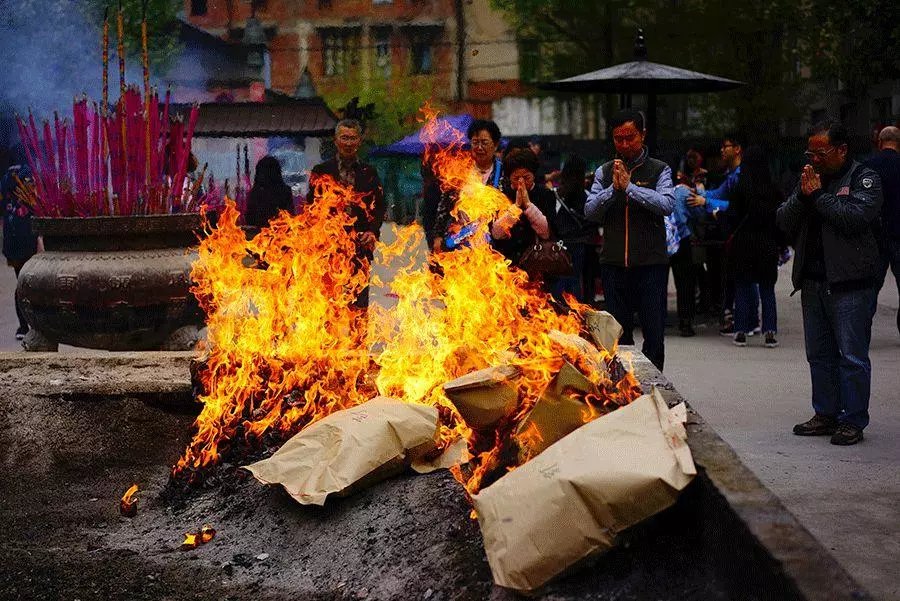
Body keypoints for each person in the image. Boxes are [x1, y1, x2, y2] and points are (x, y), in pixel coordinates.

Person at [776, 121, 883, 446]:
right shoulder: (811, 181)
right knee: (819, 355)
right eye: (810, 153)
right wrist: (805, 196)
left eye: (820, 153)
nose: (814, 159)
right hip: (813, 281)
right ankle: (825, 413)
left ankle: (852, 420)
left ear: (841, 150)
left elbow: (853, 218)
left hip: (851, 283)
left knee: (851, 356)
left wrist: (819, 196)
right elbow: (782, 219)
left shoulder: (865, 179)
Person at [584, 109, 675, 371]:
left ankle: (655, 390)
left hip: (650, 265)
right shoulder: (604, 172)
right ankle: (625, 392)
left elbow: (667, 204)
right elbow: (590, 210)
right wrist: (614, 190)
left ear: (643, 135)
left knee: (654, 335)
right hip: (613, 266)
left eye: (630, 137)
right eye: (618, 139)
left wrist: (631, 189)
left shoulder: (660, 169)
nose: (624, 144)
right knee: (618, 339)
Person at [307, 119, 386, 310]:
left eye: (352, 138)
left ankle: (357, 340)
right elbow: (312, 206)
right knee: (329, 301)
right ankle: (329, 339)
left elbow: (379, 206)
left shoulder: (369, 172)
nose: (348, 143)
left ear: (359, 141)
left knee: (358, 301)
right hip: (330, 246)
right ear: (336, 141)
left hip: (359, 246)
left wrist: (372, 231)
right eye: (344, 138)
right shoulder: (322, 171)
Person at [687, 134, 760, 336]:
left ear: (737, 149)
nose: (722, 150)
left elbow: (735, 206)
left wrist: (705, 202)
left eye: (725, 146)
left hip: (741, 231)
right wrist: (698, 193)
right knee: (740, 278)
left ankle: (749, 321)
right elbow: (718, 194)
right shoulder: (732, 175)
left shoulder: (741, 176)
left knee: (745, 278)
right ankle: (745, 319)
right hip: (734, 232)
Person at [725, 146, 783, 348]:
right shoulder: (773, 189)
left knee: (742, 287)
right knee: (768, 289)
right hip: (767, 243)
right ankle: (770, 332)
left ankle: (741, 330)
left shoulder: (741, 187)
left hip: (744, 243)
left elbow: (732, 215)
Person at [431, 119, 503, 252]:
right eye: (475, 142)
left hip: (491, 246)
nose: (479, 147)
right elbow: (444, 206)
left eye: (484, 142)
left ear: (496, 145)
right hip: (458, 242)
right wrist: (438, 236)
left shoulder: (503, 173)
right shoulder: (460, 172)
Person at [490, 147, 553, 267]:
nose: (521, 183)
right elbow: (496, 233)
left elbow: (546, 232)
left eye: (526, 178)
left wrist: (528, 205)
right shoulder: (501, 196)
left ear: (533, 175)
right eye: (516, 178)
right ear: (509, 178)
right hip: (507, 264)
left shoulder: (546, 195)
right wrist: (516, 207)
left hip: (537, 263)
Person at [866, 126, 900, 336]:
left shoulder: (869, 167)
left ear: (880, 142)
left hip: (875, 237)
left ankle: (862, 331)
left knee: (870, 288)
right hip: (899, 234)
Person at [670, 148, 708, 336]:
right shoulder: (684, 193)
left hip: (661, 242)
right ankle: (685, 322)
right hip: (683, 240)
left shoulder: (653, 190)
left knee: (657, 283)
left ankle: (657, 320)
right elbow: (700, 214)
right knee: (685, 283)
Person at [1, 162, 39, 341]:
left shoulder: (5, 178)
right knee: (32, 284)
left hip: (13, 237)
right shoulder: (28, 172)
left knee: (22, 283)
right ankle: (32, 325)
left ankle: (24, 326)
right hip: (27, 238)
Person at [550, 155, 591, 302]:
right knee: (575, 280)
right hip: (579, 243)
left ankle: (560, 311)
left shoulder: (560, 193)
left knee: (560, 280)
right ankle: (575, 310)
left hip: (561, 243)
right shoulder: (585, 196)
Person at [244, 155, 294, 228]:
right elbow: (290, 216)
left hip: (270, 234)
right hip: (280, 234)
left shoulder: (256, 193)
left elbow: (250, 219)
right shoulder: (285, 191)